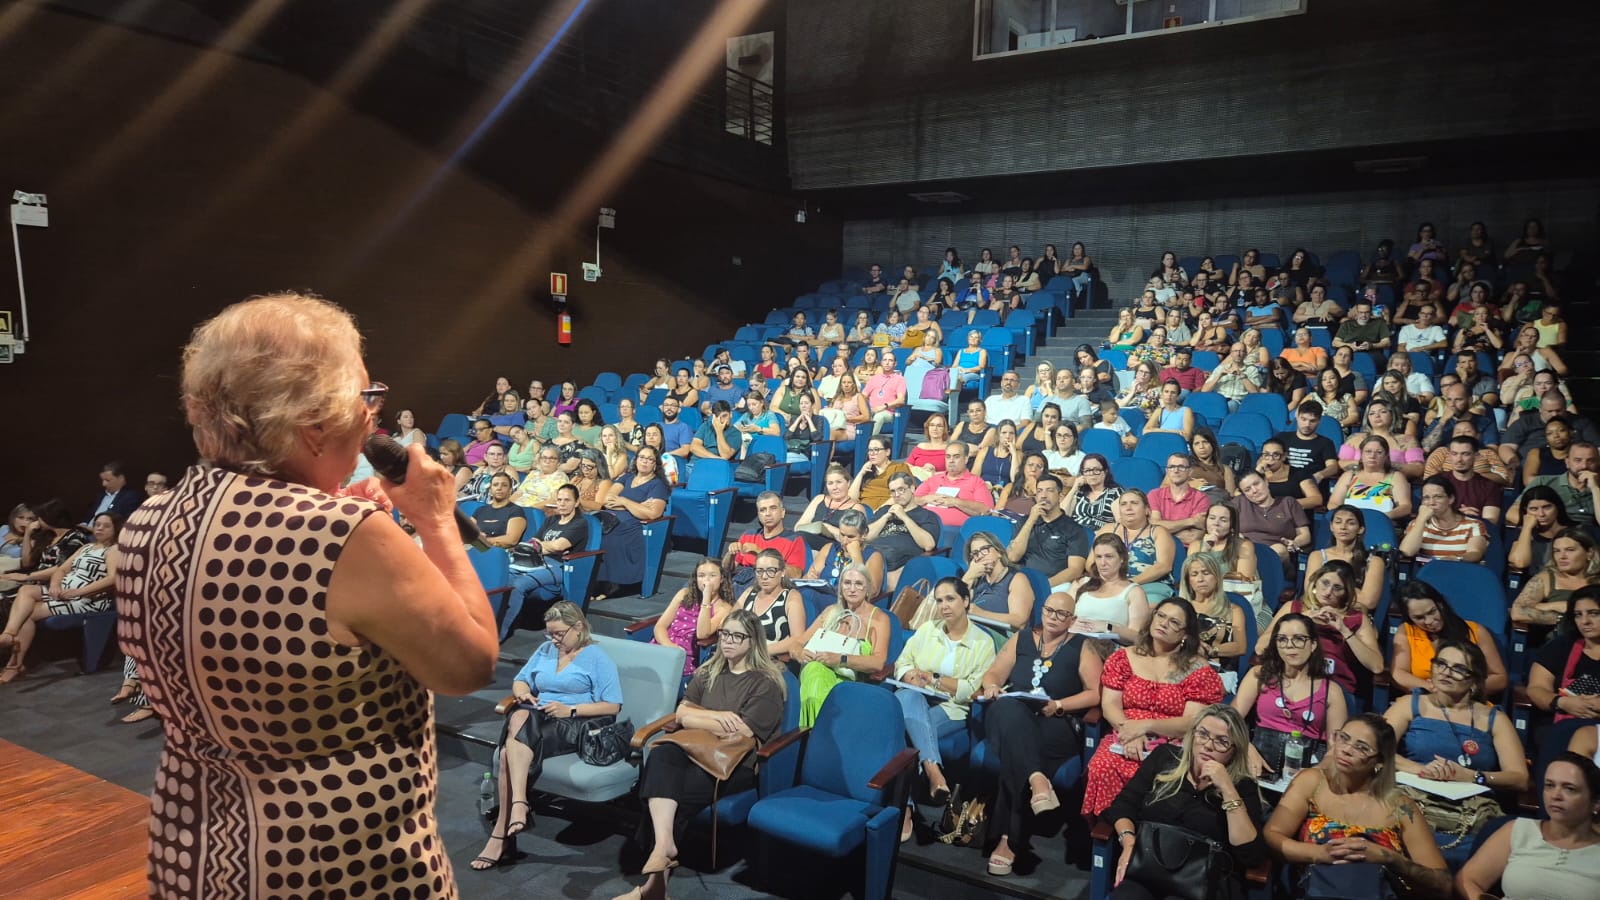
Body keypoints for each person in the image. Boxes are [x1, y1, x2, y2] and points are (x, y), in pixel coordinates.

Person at [113, 293, 499, 897]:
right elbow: (470, 665)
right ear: (315, 425)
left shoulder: (147, 520)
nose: (373, 416)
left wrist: (333, 512)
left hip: (198, 849)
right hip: (333, 863)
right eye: (366, 397)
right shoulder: (344, 535)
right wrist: (435, 520)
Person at [619, 608, 786, 900]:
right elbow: (682, 712)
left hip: (734, 763)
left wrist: (695, 717)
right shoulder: (709, 671)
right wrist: (716, 717)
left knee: (672, 795)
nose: (728, 641)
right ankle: (664, 849)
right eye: (725, 634)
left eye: (737, 636)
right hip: (694, 747)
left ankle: (653, 887)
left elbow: (743, 731)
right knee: (660, 754)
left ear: (752, 641)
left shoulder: (766, 683)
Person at [475, 602, 624, 870]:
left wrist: (572, 709)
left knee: (510, 748)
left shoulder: (597, 658)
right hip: (539, 717)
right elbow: (521, 680)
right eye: (550, 633)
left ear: (578, 627)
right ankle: (518, 805)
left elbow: (613, 705)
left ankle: (502, 832)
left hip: (574, 723)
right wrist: (523, 693)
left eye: (559, 634)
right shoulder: (545, 650)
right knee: (518, 718)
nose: (553, 640)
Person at [975, 587, 1103, 873]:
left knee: (1016, 752)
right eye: (1049, 610)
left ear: (1072, 619)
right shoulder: (1021, 638)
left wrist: (1059, 704)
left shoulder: (1082, 646)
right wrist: (992, 685)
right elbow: (994, 672)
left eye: (1062, 613)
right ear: (1041, 611)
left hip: (1056, 720)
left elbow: (1096, 693)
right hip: (1012, 714)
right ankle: (1037, 781)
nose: (1053, 617)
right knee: (1008, 709)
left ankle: (1007, 838)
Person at [1263, 713, 1453, 898]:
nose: (1346, 750)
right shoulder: (1312, 782)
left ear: (1380, 760)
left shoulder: (1401, 807)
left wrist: (1390, 858)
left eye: (1361, 748)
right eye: (1343, 738)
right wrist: (1320, 853)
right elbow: (1272, 836)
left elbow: (1443, 883)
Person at [1106, 706, 1268, 900]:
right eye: (1203, 734)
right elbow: (1123, 805)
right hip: (1150, 868)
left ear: (1234, 751)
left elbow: (1251, 854)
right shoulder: (1164, 757)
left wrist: (1227, 789)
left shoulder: (1243, 787)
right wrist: (1128, 842)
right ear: (1192, 735)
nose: (1208, 745)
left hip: (1206, 881)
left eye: (1222, 741)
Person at [1383, 639, 1526, 858]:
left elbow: (1519, 778)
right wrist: (1421, 769)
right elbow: (1375, 749)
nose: (1446, 672)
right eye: (1441, 664)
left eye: (1458, 669)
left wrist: (1473, 776)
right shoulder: (1410, 705)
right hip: (1412, 802)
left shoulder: (1494, 719)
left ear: (1475, 681)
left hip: (1470, 813)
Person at [1083, 598, 1226, 816]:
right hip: (1124, 733)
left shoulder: (1198, 670)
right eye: (1161, 616)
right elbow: (1110, 704)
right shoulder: (1124, 657)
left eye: (1174, 622)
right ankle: (1109, 828)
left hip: (1172, 742)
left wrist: (1146, 726)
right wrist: (1128, 732)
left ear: (1185, 634)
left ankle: (1152, 831)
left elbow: (1192, 722)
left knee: (1168, 776)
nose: (1163, 623)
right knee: (1103, 766)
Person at [892, 577, 998, 840]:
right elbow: (902, 662)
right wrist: (910, 676)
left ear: (966, 600)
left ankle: (905, 810)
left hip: (952, 708)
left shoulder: (983, 642)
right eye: (939, 600)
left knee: (900, 734)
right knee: (908, 696)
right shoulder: (928, 629)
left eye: (950, 599)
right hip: (916, 698)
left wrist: (935, 679)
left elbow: (972, 688)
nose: (944, 606)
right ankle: (933, 772)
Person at [1456, 752, 1600, 900]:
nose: (1555, 795)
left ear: (1595, 802)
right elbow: (1467, 879)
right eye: (1549, 785)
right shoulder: (1518, 830)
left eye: (1569, 788)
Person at [0, 511, 122, 683]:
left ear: (116, 529)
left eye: (106, 526)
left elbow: (112, 579)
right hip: (64, 591)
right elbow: (61, 569)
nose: (100, 528)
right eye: (97, 524)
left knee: (27, 613)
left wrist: (79, 592)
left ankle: (14, 664)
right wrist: (55, 585)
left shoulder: (114, 550)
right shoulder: (86, 547)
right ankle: (9, 634)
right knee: (27, 590)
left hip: (88, 599)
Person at [1233, 613, 1348, 778]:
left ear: (1313, 644)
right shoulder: (1259, 675)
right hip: (1258, 767)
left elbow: (1335, 749)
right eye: (1282, 639)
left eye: (1298, 639)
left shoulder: (1332, 691)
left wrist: (1313, 775)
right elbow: (1230, 720)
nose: (1289, 645)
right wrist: (1246, 747)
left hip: (1306, 772)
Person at [1259, 562, 1383, 696]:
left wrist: (1344, 630)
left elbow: (1377, 666)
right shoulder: (1293, 608)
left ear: (1346, 592)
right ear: (1315, 582)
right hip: (1290, 681)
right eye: (1325, 583)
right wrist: (1300, 621)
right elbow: (1260, 648)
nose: (1328, 592)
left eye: (1337, 588)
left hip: (1333, 687)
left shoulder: (1356, 619)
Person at [794, 564, 890, 726]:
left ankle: (815, 730)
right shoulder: (830, 612)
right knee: (814, 671)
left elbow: (878, 662)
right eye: (847, 583)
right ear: (840, 587)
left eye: (858, 584)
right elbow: (798, 642)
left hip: (849, 680)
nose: (852, 589)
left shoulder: (879, 619)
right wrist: (799, 652)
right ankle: (821, 731)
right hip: (814, 671)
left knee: (816, 681)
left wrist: (840, 659)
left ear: (867, 588)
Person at [1526, 587, 1600, 754]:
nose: (1585, 621)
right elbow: (1536, 688)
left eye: (1594, 613)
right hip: (1561, 725)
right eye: (1578, 615)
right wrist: (1562, 703)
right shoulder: (1560, 646)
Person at [594, 446, 672, 598]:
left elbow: (653, 513)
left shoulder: (658, 485)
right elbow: (607, 500)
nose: (644, 461)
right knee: (595, 534)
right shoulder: (626, 478)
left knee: (614, 538)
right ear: (636, 460)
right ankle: (598, 581)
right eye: (642, 457)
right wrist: (638, 505)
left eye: (649, 459)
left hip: (636, 526)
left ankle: (615, 583)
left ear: (655, 464)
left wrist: (623, 501)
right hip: (610, 519)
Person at [652, 557, 736, 682]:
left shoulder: (724, 608)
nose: (706, 580)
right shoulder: (684, 594)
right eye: (701, 576)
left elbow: (702, 634)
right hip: (664, 646)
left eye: (712, 575)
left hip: (686, 657)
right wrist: (669, 646)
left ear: (722, 578)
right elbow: (660, 627)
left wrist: (706, 598)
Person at [1007, 474, 1089, 587]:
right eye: (1039, 491)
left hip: (1054, 585)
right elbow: (1013, 556)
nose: (1043, 495)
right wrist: (1031, 520)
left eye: (1049, 491)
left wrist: (1044, 585)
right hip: (1022, 582)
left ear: (1060, 496)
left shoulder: (1073, 529)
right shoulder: (1024, 522)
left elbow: (1075, 570)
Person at [1512, 527, 1600, 630]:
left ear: (1589, 553)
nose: (1562, 556)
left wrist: (1549, 606)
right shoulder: (1545, 578)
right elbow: (1517, 612)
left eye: (1570, 550)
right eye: (1557, 551)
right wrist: (1562, 618)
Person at [1099, 490, 1177, 603]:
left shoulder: (1159, 532)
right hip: (1109, 583)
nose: (1128, 508)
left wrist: (1128, 583)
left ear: (1147, 510)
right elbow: (1091, 563)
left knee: (1140, 607)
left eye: (1134, 503)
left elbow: (1164, 566)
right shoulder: (1108, 530)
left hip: (1150, 585)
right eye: (1123, 504)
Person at [1305, 507, 1386, 612]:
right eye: (1338, 522)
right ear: (1331, 527)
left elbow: (1369, 602)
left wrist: (1327, 593)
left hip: (1353, 614)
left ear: (1360, 529)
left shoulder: (1374, 562)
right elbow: (1310, 590)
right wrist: (1351, 594)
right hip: (1318, 611)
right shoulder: (1317, 556)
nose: (1343, 527)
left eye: (1350, 523)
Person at [1180, 552, 1249, 673]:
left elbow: (1240, 647)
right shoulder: (1181, 608)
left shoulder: (1233, 610)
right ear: (1188, 581)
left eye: (1206, 573)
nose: (1200, 579)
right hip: (1181, 666)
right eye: (1194, 574)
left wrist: (1211, 650)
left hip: (1218, 671)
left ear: (1217, 577)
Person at [735, 548, 809, 661]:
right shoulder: (749, 592)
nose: (764, 576)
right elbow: (729, 623)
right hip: (740, 657)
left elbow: (797, 639)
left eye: (771, 571)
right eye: (759, 571)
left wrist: (757, 651)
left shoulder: (791, 597)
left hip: (770, 661)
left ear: (782, 572)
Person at [1398, 475, 1488, 562]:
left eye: (1438, 497)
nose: (1431, 502)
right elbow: (1407, 552)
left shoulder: (1473, 524)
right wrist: (1421, 520)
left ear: (1451, 499)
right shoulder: (1416, 524)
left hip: (1459, 569)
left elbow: (1475, 553)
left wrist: (1457, 559)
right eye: (1426, 498)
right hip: (1427, 571)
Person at [1329, 436, 1414, 522]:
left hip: (1383, 522)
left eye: (1379, 452)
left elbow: (1405, 507)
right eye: (1368, 451)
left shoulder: (1396, 477)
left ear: (1386, 456)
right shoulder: (1349, 476)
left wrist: (1383, 516)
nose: (1372, 456)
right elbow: (1333, 503)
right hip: (1350, 524)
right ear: (1361, 455)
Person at [962, 531, 1035, 630]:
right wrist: (968, 577)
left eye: (984, 549)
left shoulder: (1016, 579)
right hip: (972, 629)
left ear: (999, 552)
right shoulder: (975, 580)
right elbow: (953, 607)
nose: (980, 556)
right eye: (975, 553)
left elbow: (1019, 622)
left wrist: (981, 613)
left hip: (1000, 634)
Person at [913, 442, 992, 531]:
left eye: (956, 457)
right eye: (948, 457)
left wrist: (955, 502)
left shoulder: (976, 482)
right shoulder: (933, 479)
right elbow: (912, 500)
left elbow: (986, 510)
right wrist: (926, 499)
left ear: (966, 459)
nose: (951, 460)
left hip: (957, 531)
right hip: (925, 527)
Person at [1237, 471, 1311, 564]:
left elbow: (1305, 535)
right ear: (1244, 494)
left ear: (1266, 481)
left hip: (1277, 555)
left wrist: (1295, 543)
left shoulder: (1288, 503)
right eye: (1247, 490)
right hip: (1246, 551)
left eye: (1256, 484)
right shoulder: (1239, 502)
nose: (1254, 490)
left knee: (1279, 549)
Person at [1508, 486, 1581, 574]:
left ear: (1557, 507)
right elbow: (1520, 562)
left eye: (1547, 507)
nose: (1541, 514)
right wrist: (1527, 528)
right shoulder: (1524, 533)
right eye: (1534, 509)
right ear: (1526, 511)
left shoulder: (1578, 531)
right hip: (1538, 580)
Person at [1149, 453, 1210, 546]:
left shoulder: (1201, 498)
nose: (1176, 470)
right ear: (1167, 471)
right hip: (1156, 547)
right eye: (1172, 467)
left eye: (1181, 467)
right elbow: (1153, 526)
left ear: (1190, 471)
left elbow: (1194, 536)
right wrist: (1191, 521)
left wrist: (1161, 532)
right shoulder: (1154, 495)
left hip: (1186, 550)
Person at [1066, 453, 1123, 530]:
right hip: (1075, 533)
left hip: (1102, 534)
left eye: (1096, 470)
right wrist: (1074, 488)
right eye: (1087, 470)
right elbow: (1061, 517)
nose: (1092, 473)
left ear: (1105, 472)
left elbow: (1120, 524)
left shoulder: (1115, 493)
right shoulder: (1079, 493)